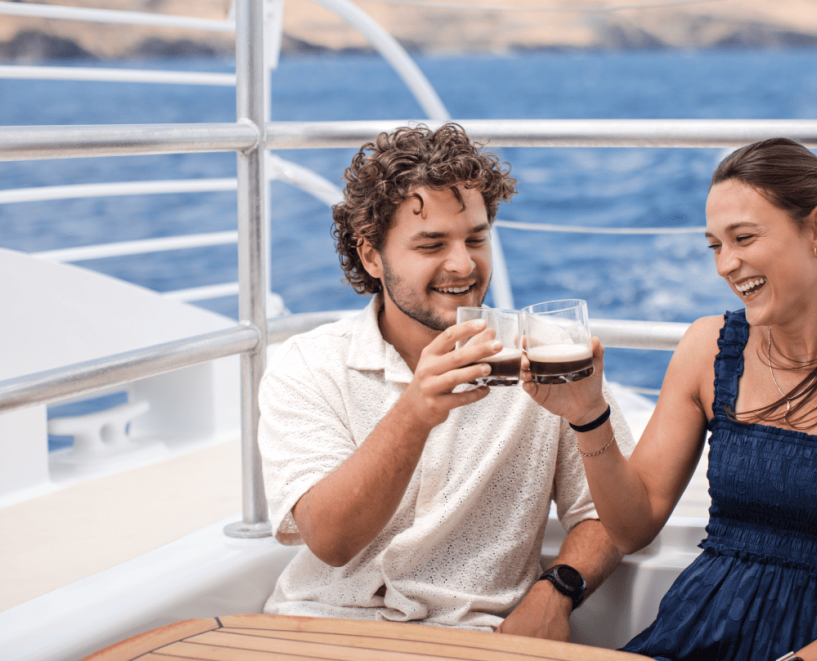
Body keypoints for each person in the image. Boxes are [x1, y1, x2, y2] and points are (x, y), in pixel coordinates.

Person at [524, 138, 817, 660]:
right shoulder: (706, 348)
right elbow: (631, 526)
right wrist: (586, 414)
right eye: (715, 245)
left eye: (744, 238)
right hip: (700, 634)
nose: (726, 264)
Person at [256, 123, 634, 640]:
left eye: (476, 238)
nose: (463, 264)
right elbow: (330, 540)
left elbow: (607, 514)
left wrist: (557, 593)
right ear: (371, 255)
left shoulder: (546, 353)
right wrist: (415, 413)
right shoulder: (310, 364)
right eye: (431, 243)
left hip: (472, 638)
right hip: (319, 628)